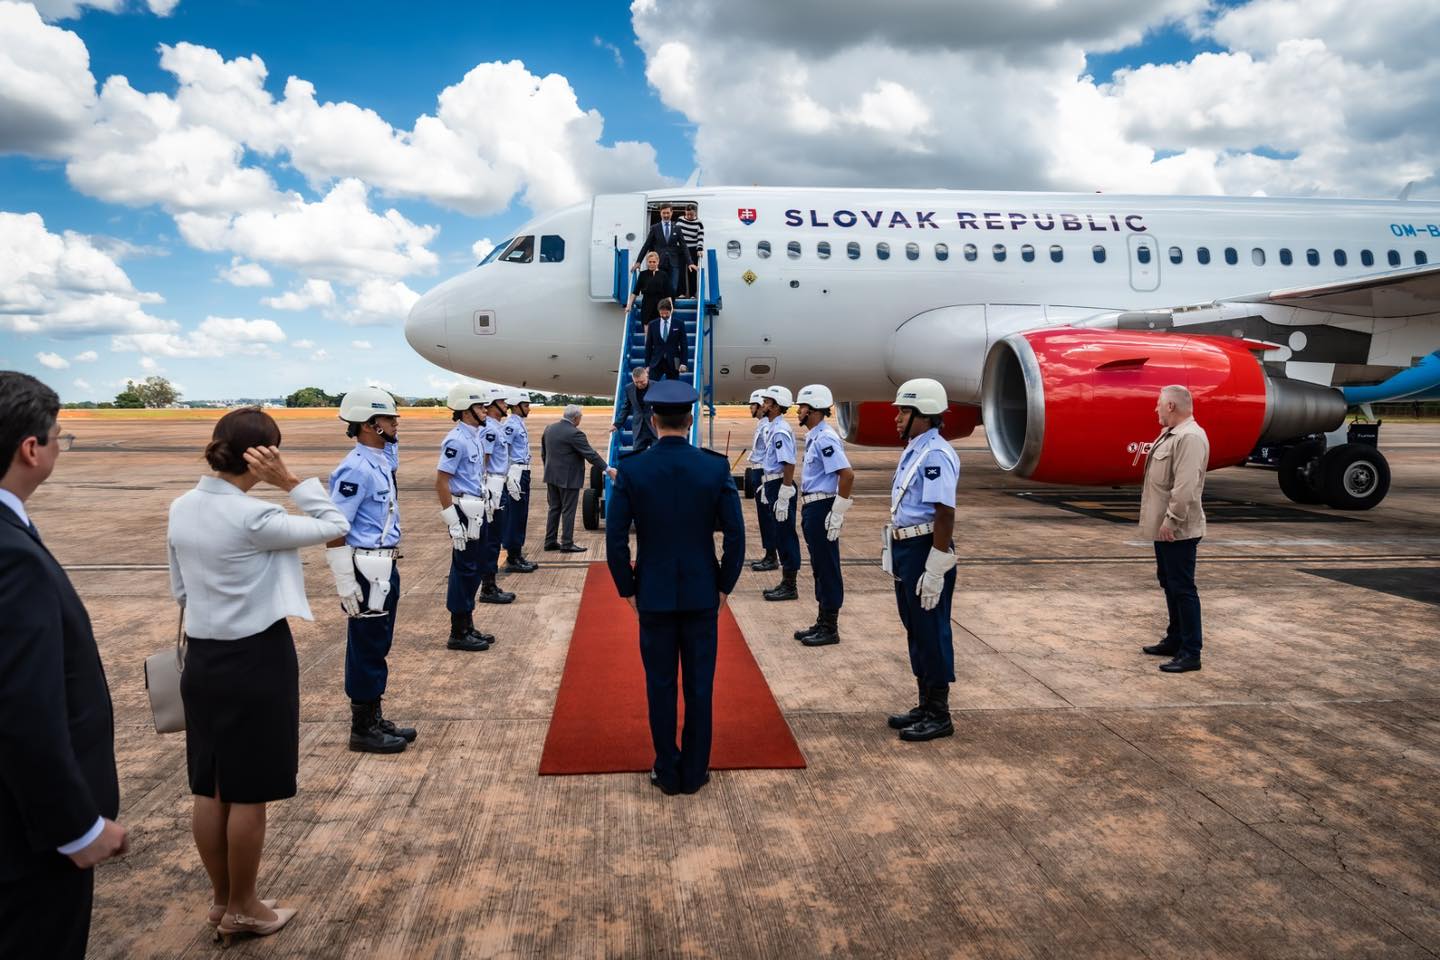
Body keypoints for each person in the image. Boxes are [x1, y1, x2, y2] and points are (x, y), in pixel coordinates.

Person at [168, 407, 349, 944]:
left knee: (211, 784)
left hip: (201, 658)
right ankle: (246, 907)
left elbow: (180, 589)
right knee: (250, 792)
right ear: (263, 454)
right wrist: (290, 481)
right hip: (255, 659)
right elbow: (338, 526)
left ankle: (222, 899)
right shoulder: (256, 518)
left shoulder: (181, 507)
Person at [0, 372, 123, 960]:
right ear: (31, 449)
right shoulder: (10, 555)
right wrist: (76, 828)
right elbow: (24, 708)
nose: (57, 448)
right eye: (57, 438)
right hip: (25, 839)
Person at [605, 379, 744, 795]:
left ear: (651, 418)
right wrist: (724, 586)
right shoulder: (715, 466)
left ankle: (667, 769)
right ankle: (696, 770)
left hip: (654, 594)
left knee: (660, 685)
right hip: (703, 593)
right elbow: (735, 535)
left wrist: (627, 588)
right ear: (690, 419)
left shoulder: (632, 468)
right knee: (700, 686)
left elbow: (615, 538)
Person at [325, 387, 416, 754]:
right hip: (365, 568)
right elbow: (334, 526)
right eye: (388, 418)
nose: (395, 422)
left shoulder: (380, 458)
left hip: (382, 566)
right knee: (366, 646)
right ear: (369, 425)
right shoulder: (355, 469)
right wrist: (344, 582)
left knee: (378, 643)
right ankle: (362, 728)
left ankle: (374, 714)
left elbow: (391, 457)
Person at [885, 378, 961, 743]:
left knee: (931, 629)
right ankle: (924, 702)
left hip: (927, 548)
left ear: (924, 414)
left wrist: (936, 563)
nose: (897, 417)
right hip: (907, 548)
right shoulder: (917, 447)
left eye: (903, 410)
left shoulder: (935, 454)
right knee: (915, 627)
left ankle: (939, 713)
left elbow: (944, 512)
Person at [1139, 385, 1210, 674]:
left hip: (1177, 529)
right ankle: (1175, 639)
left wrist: (1171, 520)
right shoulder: (1172, 434)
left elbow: (1185, 487)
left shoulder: (1190, 437)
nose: (1155, 409)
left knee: (1183, 589)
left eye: (1158, 404)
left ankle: (1191, 652)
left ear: (1171, 406)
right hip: (1164, 528)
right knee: (1169, 584)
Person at [792, 385, 854, 647]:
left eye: (802, 407)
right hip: (813, 507)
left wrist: (838, 512)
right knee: (819, 566)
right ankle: (822, 620)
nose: (798, 411)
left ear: (814, 409)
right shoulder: (815, 436)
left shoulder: (826, 438)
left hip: (823, 507)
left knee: (827, 566)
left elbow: (847, 474)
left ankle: (830, 627)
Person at [435, 383, 496, 653]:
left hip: (476, 509)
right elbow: (441, 481)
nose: (485, 410)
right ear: (466, 409)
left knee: (474, 569)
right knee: (464, 570)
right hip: (462, 511)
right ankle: (457, 631)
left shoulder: (474, 436)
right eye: (481, 406)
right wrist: (452, 521)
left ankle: (468, 625)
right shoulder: (456, 440)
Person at [541, 404, 614, 552]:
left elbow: (544, 453)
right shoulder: (575, 433)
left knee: (554, 508)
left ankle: (550, 541)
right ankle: (567, 543)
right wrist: (607, 469)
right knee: (568, 510)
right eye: (580, 417)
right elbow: (590, 455)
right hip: (568, 479)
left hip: (551, 475)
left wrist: (548, 469)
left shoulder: (549, 428)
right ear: (575, 418)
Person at [758, 385, 801, 601]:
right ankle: (786, 582)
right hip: (773, 484)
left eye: (766, 402)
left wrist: (784, 491)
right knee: (779, 532)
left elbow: (788, 463)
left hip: (780, 485)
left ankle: (790, 585)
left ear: (775, 406)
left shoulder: (780, 430)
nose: (763, 405)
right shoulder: (773, 427)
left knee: (785, 535)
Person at [476, 387, 517, 604]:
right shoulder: (490, 430)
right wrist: (486, 489)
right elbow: (484, 459)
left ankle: (490, 585)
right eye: (501, 402)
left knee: (495, 537)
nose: (505, 405)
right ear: (493, 406)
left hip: (499, 484)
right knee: (491, 539)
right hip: (492, 487)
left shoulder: (496, 427)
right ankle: (488, 587)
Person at [501, 389, 539, 574]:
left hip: (523, 471)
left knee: (521, 513)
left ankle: (517, 553)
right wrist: (509, 475)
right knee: (515, 514)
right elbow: (503, 451)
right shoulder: (510, 425)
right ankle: (512, 556)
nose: (529, 409)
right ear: (515, 406)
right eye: (525, 405)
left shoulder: (518, 423)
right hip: (516, 472)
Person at [631, 202, 695, 296]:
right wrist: (638, 262)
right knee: (660, 288)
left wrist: (690, 262)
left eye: (668, 213)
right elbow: (646, 245)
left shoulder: (677, 228)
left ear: (671, 213)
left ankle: (670, 309)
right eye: (663, 213)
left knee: (673, 288)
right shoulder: (654, 228)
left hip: (674, 263)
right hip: (659, 263)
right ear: (660, 213)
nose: (666, 215)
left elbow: (684, 246)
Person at [746, 389, 778, 572]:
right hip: (759, 472)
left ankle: (772, 557)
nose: (750, 408)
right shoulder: (762, 425)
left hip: (763, 474)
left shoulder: (766, 427)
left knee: (767, 517)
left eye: (752, 404)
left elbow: (768, 455)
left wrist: (765, 481)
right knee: (764, 517)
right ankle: (769, 554)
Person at [613, 366, 658, 455]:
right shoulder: (629, 388)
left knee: (657, 455)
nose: (640, 385)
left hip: (655, 427)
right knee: (637, 457)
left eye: (642, 382)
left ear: (647, 376)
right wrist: (617, 424)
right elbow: (625, 408)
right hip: (639, 428)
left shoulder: (657, 386)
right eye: (636, 382)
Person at [625, 251, 672, 330]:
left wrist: (671, 308)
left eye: (654, 262)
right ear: (647, 262)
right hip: (647, 304)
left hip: (660, 305)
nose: (652, 264)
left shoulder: (663, 275)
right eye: (650, 262)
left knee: (659, 331)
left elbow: (668, 294)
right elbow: (635, 292)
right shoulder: (643, 275)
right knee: (647, 329)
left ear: (658, 262)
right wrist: (629, 305)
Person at [645, 299, 688, 382]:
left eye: (666, 313)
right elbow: (648, 346)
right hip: (656, 361)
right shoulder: (652, 324)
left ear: (671, 310)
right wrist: (647, 365)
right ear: (658, 311)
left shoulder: (679, 324)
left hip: (673, 361)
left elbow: (684, 344)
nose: (664, 316)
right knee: (651, 386)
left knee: (673, 387)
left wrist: (684, 363)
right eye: (662, 313)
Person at [677, 203, 705, 297]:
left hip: (692, 248)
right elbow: (676, 233)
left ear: (695, 213)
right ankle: (681, 293)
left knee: (692, 272)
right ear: (685, 212)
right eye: (687, 214)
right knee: (680, 270)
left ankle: (693, 293)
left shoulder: (699, 223)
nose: (689, 216)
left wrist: (700, 249)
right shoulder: (680, 220)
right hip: (681, 248)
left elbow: (700, 237)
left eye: (691, 214)